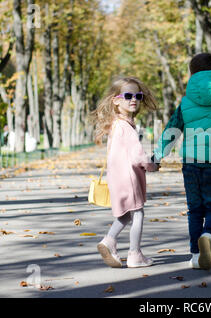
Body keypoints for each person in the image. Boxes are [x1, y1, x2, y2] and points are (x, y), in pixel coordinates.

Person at [152, 53, 211, 270]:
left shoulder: (186, 102)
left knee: (195, 209)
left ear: (192, 74)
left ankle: (195, 255)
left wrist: (157, 156)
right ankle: (209, 236)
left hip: (191, 163)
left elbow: (172, 131)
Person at [91, 76, 159, 268]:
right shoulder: (125, 128)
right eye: (128, 95)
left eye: (138, 95)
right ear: (116, 100)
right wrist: (152, 165)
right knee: (138, 214)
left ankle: (109, 240)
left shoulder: (116, 124)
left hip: (117, 178)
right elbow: (138, 156)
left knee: (125, 215)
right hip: (129, 178)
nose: (134, 99)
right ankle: (135, 254)